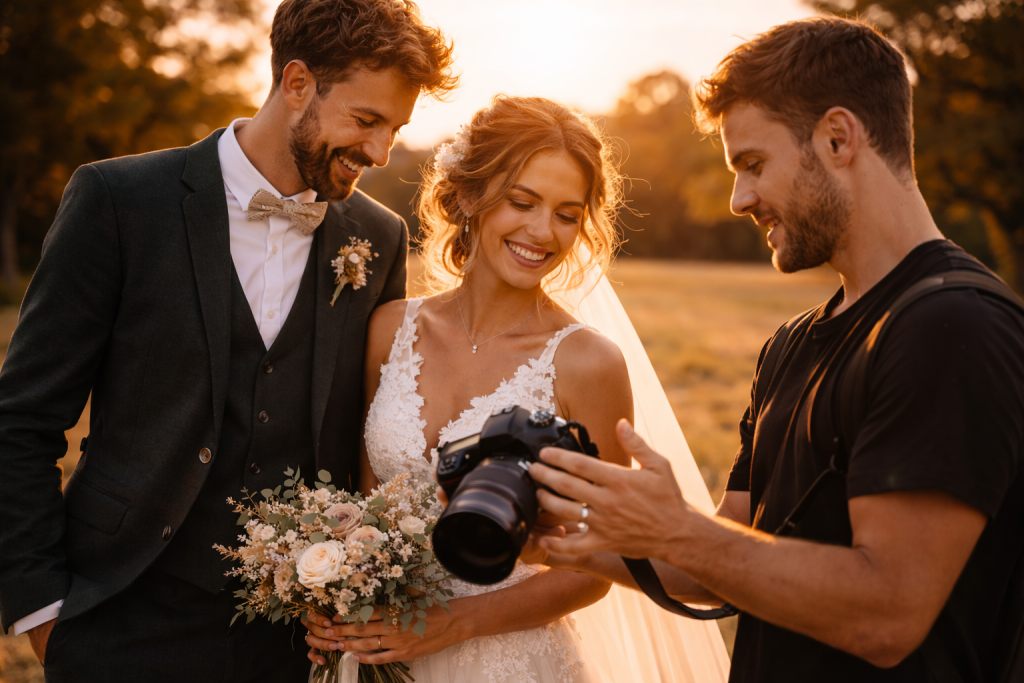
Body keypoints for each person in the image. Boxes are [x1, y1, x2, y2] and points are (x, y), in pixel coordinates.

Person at [528, 16, 1024, 683]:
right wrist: (566, 542)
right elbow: (730, 558)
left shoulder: (952, 325)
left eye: (753, 164)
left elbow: (887, 613)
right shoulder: (789, 344)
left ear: (838, 137)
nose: (739, 199)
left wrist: (675, 528)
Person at [0, 1, 455, 681]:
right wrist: (42, 611)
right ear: (297, 83)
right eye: (367, 120)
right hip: (122, 617)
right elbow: (21, 419)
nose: (380, 152)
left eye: (395, 128)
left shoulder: (379, 237)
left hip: (289, 644)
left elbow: (368, 429)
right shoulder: (120, 201)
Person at [302, 95, 731, 682]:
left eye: (567, 213)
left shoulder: (587, 363)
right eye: (522, 202)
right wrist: (333, 596)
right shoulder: (388, 329)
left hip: (511, 663)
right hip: (384, 658)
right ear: (471, 196)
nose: (542, 232)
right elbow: (363, 513)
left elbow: (597, 567)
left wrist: (457, 622)